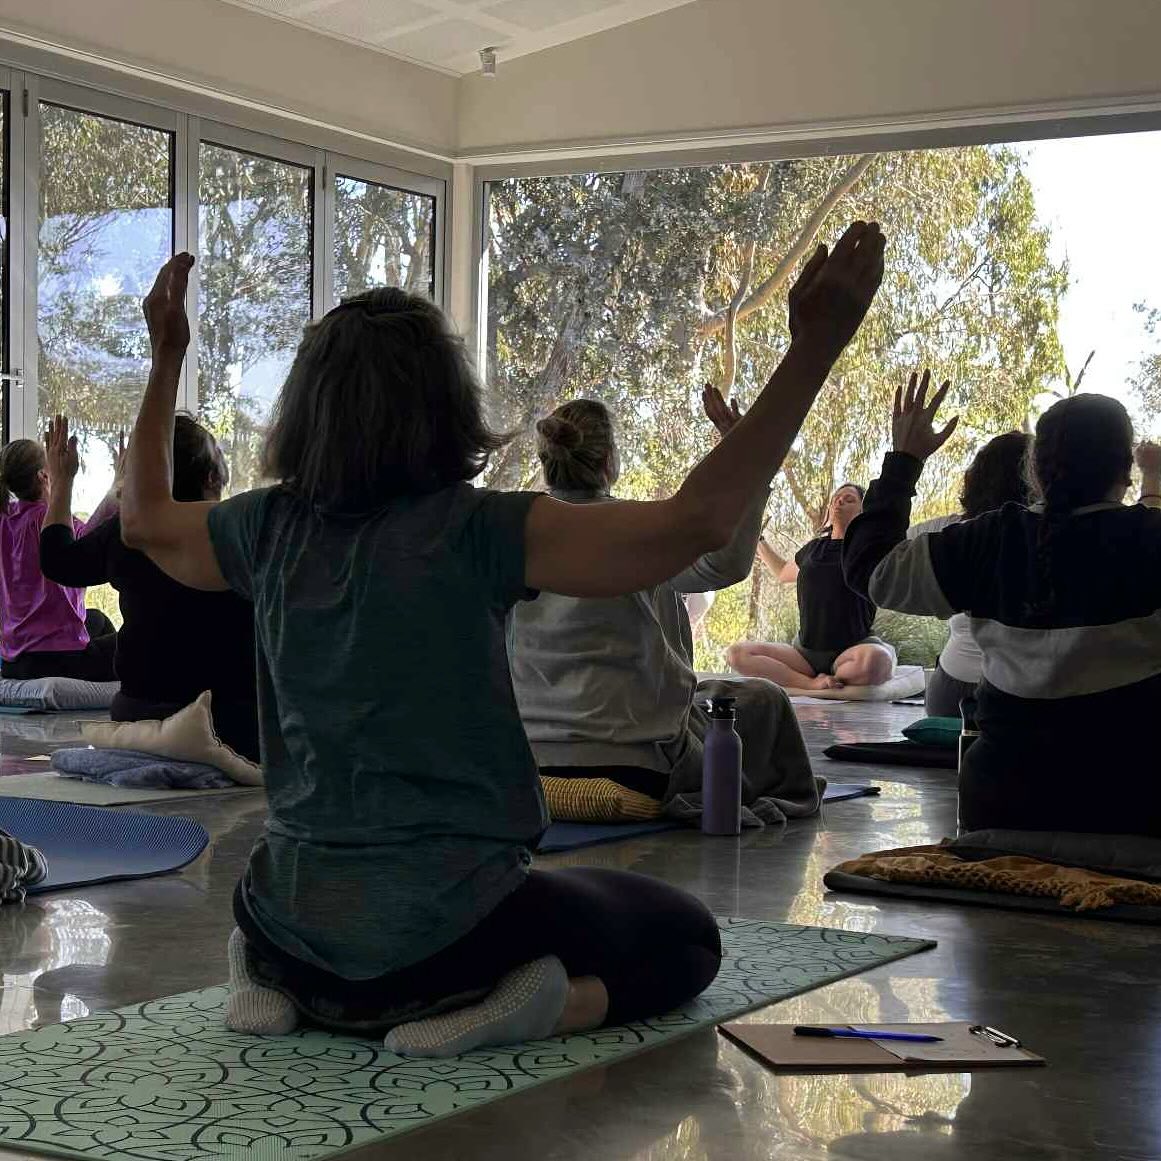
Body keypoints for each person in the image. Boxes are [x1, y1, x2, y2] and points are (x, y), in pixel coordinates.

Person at [119, 222, 884, 1055]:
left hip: (286, 914)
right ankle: (533, 1003)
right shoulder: (479, 530)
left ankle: (264, 973)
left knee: (286, 896)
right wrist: (815, 346)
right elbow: (693, 523)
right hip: (449, 934)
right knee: (689, 938)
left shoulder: (262, 526)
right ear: (445, 407)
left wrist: (166, 358)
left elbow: (144, 518)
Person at [843, 373, 1161, 837]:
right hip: (1131, 802)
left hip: (1002, 804)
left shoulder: (986, 540)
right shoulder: (1151, 539)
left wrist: (904, 463)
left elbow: (873, 572)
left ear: (1035, 471)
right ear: (1125, 473)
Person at [508, 389, 818, 821]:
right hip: (635, 764)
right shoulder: (639, 528)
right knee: (762, 701)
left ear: (547, 461)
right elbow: (726, 564)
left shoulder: (509, 534)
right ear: (609, 462)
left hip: (526, 761)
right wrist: (744, 459)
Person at [39, 414, 259, 762]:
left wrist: (63, 482)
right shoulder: (242, 532)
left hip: (139, 712)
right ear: (213, 476)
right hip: (229, 723)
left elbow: (58, 560)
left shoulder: (128, 536)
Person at [725, 483, 896, 690]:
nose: (839, 501)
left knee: (877, 661)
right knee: (737, 654)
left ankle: (839, 674)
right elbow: (781, 572)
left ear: (863, 512)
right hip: (805, 655)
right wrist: (758, 539)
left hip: (853, 650)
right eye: (836, 499)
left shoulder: (868, 551)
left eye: (849, 499)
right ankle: (811, 683)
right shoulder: (813, 550)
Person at [908, 431, 1031, 717]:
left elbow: (880, 560)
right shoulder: (1055, 534)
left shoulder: (947, 531)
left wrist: (905, 463)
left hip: (951, 691)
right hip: (1024, 694)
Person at [0, 434, 118, 682]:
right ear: (44, 476)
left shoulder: (5, 518)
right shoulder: (49, 518)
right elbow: (89, 546)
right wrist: (118, 485)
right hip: (58, 661)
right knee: (136, 645)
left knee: (97, 619)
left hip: (15, 661)